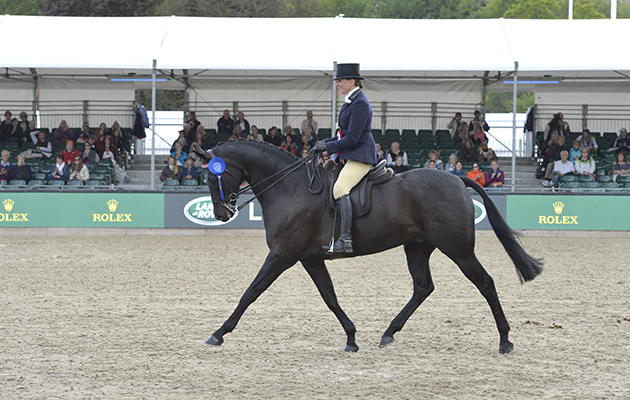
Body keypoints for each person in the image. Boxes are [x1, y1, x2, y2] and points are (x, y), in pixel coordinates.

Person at [313, 63, 377, 254]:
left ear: (351, 81)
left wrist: (329, 148)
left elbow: (352, 138)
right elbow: (343, 134)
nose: (337, 85)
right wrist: (325, 143)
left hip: (360, 156)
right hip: (350, 154)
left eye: (339, 81)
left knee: (340, 188)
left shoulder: (360, 104)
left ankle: (346, 239)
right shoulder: (351, 100)